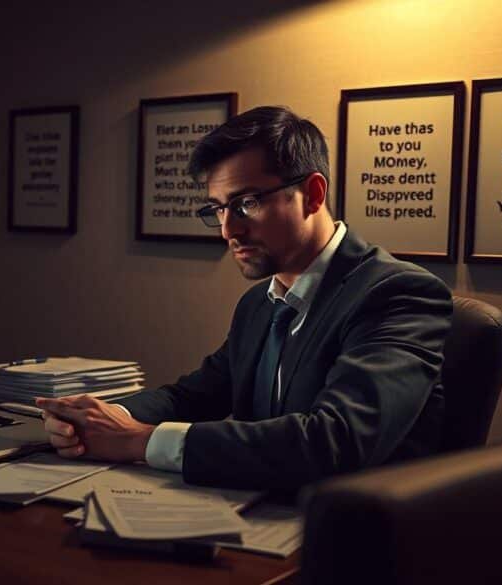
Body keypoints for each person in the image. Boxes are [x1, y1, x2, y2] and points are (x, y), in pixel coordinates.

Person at [36, 106, 452, 492]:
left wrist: (140, 441)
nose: (227, 231)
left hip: (347, 542)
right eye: (218, 209)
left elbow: (335, 442)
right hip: (253, 514)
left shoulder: (398, 294)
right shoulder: (260, 304)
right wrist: (97, 419)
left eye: (246, 203)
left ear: (313, 193)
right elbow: (193, 397)